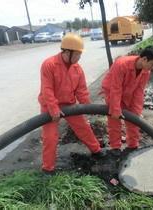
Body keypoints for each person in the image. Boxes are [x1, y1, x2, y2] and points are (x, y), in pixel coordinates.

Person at [38, 33, 105, 174]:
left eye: (80, 54)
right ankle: (48, 169)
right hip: (49, 106)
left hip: (69, 105)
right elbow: (47, 89)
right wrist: (53, 108)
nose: (79, 57)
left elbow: (81, 91)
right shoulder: (49, 65)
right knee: (50, 137)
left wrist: (87, 106)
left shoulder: (77, 69)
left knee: (83, 128)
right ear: (67, 52)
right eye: (78, 54)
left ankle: (96, 150)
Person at [101, 46, 153, 156]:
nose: (152, 67)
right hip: (112, 91)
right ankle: (115, 147)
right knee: (114, 119)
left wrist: (137, 111)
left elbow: (139, 91)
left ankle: (133, 146)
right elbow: (116, 88)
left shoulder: (145, 72)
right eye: (152, 64)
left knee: (134, 120)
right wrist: (115, 108)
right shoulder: (121, 64)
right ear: (144, 59)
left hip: (129, 92)